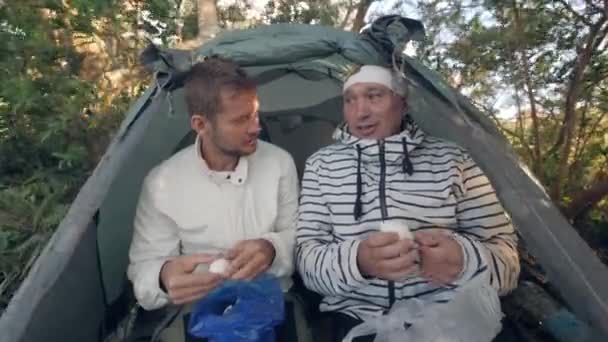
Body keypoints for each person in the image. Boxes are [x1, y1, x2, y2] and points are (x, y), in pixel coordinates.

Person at [295, 65, 520, 341]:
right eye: (349, 99)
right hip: (355, 321)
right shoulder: (321, 165)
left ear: (403, 104)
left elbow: (508, 262)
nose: (360, 112)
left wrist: (463, 260)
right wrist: (359, 261)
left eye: (374, 95)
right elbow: (306, 261)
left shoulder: (452, 160)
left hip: (450, 318)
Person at [127, 57, 299, 341]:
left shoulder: (279, 163)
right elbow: (143, 270)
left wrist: (272, 249)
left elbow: (301, 238)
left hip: (273, 303)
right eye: (241, 119)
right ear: (200, 124)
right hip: (201, 313)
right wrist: (164, 275)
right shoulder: (162, 183)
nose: (256, 127)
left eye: (255, 114)